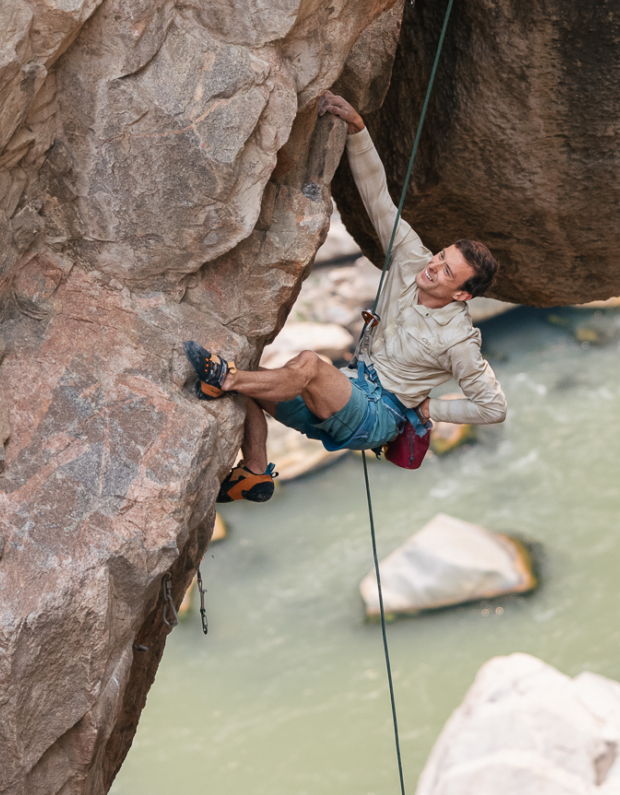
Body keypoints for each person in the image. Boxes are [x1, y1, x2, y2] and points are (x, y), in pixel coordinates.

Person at [189, 91, 507, 501]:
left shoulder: (459, 341)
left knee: (307, 365)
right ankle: (255, 472)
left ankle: (224, 378)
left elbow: (493, 407)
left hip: (377, 418)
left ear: (462, 294)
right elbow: (379, 200)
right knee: (259, 381)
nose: (433, 265)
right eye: (442, 255)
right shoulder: (412, 259)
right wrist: (358, 130)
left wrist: (433, 410)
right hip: (350, 392)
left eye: (446, 270)